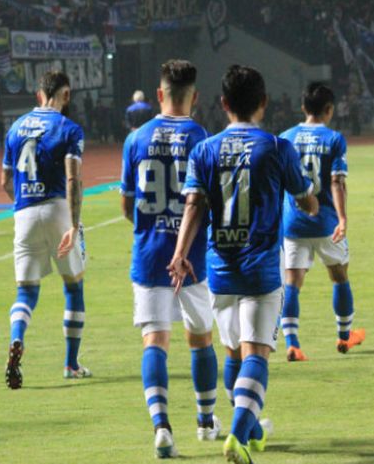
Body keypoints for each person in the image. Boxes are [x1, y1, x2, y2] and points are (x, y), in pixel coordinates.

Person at [168, 65, 318, 464]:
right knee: (256, 353)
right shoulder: (276, 147)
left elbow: (194, 205)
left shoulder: (205, 149)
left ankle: (252, 433)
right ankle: (236, 436)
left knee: (233, 352)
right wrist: (311, 200)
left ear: (224, 104)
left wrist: (181, 253)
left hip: (219, 269)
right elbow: (305, 198)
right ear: (264, 102)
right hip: (261, 269)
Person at [120, 60, 220, 459]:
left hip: (149, 255)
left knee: (155, 341)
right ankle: (206, 420)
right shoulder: (202, 137)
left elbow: (127, 205)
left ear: (159, 95)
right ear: (194, 97)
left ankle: (161, 426)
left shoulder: (136, 138)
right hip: (193, 256)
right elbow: (207, 202)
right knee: (200, 339)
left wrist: (151, 224)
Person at [2, 70, 90, 389]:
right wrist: (74, 224)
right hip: (57, 210)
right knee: (73, 286)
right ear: (65, 95)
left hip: (24, 212)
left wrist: (27, 205)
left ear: (39, 94)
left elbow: (4, 181)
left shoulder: (15, 127)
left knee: (25, 292)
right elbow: (72, 180)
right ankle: (71, 363)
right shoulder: (69, 128)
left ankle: (16, 339)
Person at [279, 83, 366, 362]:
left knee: (292, 281)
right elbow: (337, 181)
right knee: (339, 275)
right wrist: (342, 218)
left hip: (293, 223)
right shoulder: (334, 138)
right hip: (326, 222)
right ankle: (344, 337)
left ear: (303, 107)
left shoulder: (285, 137)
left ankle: (292, 343)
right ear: (329, 110)